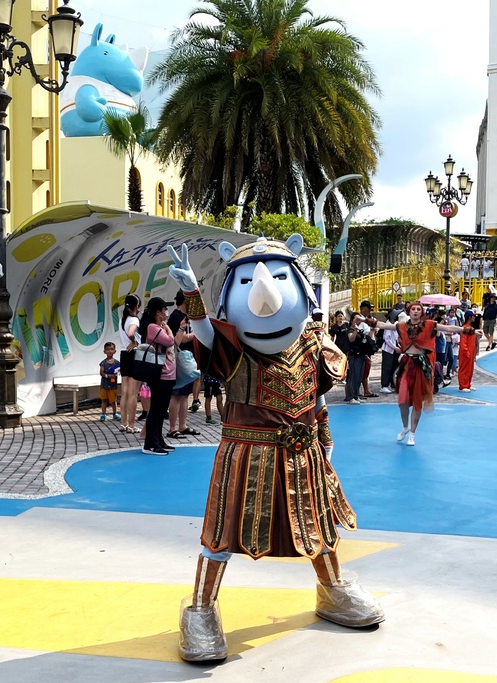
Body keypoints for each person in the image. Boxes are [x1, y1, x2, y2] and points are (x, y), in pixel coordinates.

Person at [166, 236, 383, 662]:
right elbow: (207, 337)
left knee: (319, 523)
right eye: (246, 283)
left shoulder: (314, 344)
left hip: (304, 453)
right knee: (221, 532)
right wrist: (192, 294)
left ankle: (332, 590)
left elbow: (318, 397)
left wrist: (325, 438)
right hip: (245, 457)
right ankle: (201, 608)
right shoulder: (232, 352)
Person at [375, 300, 465, 444]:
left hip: (421, 365)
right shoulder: (402, 326)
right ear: (409, 312)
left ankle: (412, 433)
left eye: (418, 309)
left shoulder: (429, 325)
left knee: (417, 400)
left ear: (422, 312)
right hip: (406, 365)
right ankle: (405, 426)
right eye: (413, 309)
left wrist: (467, 330)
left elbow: (448, 327)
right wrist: (364, 320)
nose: (416, 311)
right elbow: (383, 325)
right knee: (402, 400)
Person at [138, 297, 177, 455]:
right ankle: (150, 444)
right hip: (160, 374)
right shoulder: (153, 327)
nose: (166, 312)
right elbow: (170, 341)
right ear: (158, 312)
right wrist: (168, 328)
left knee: (162, 409)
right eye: (164, 310)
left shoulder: (159, 327)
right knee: (156, 408)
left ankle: (158, 439)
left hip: (168, 374)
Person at [167, 291, 201, 440]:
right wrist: (197, 334)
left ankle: (182, 425)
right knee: (176, 395)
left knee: (185, 395)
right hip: (179, 360)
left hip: (188, 360)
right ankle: (172, 428)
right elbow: (180, 339)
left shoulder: (188, 317)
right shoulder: (176, 317)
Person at [118, 295, 143, 434]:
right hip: (133, 353)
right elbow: (130, 333)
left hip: (124, 354)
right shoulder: (134, 320)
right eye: (138, 306)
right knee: (133, 393)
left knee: (125, 392)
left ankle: (123, 423)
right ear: (135, 307)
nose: (139, 309)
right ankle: (131, 425)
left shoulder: (122, 319)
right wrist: (134, 342)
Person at [345, 313, 375, 404]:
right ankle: (351, 397)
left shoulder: (360, 330)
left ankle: (356, 395)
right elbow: (351, 339)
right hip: (354, 356)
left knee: (359, 376)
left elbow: (367, 340)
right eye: (356, 319)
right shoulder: (350, 330)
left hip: (361, 355)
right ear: (352, 320)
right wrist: (355, 330)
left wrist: (372, 330)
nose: (358, 320)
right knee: (354, 376)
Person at [357, 300, 378, 398]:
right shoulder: (359, 320)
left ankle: (365, 390)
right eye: (368, 308)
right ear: (363, 308)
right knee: (362, 370)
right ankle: (360, 390)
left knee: (366, 370)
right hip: (362, 349)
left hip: (368, 348)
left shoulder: (367, 320)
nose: (370, 310)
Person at [457, 311, 482, 390]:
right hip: (466, 352)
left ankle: (467, 384)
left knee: (469, 369)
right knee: (464, 369)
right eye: (473, 316)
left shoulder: (470, 328)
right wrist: (466, 351)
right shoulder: (465, 328)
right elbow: (463, 342)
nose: (474, 317)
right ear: (470, 317)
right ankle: (463, 385)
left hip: (471, 351)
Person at [379, 310, 401, 394]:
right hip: (388, 349)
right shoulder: (387, 325)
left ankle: (390, 384)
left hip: (394, 349)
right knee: (386, 367)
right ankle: (384, 385)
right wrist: (394, 347)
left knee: (392, 367)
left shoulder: (395, 324)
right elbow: (387, 339)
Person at [99, 342, 121, 422]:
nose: (110, 351)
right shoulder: (103, 363)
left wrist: (117, 373)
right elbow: (101, 373)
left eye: (111, 349)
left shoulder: (117, 363)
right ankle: (103, 414)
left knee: (113, 400)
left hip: (113, 385)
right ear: (104, 351)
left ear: (115, 351)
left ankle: (115, 413)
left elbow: (119, 371)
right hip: (104, 385)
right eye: (108, 350)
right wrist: (108, 376)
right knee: (104, 400)